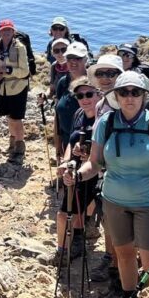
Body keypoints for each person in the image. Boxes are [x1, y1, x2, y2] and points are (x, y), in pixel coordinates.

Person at [66, 71, 149, 298]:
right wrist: (78, 174)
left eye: (135, 92)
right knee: (124, 253)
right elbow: (94, 164)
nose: (129, 97)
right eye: (124, 92)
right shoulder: (105, 122)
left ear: (144, 96)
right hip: (114, 200)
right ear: (115, 96)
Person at [54, 76, 100, 264]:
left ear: (99, 94)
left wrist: (88, 155)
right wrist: (66, 161)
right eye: (80, 95)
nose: (84, 99)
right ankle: (74, 244)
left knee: (65, 213)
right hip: (77, 169)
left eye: (89, 94)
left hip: (94, 171)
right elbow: (71, 141)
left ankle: (63, 251)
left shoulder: (104, 118)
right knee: (75, 209)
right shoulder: (79, 114)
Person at [0, 19, 32, 164]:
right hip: (3, 89)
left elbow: (25, 71)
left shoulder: (20, 48)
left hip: (18, 88)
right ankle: (13, 143)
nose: (6, 33)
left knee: (16, 118)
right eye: (3, 30)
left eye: (9, 30)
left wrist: (7, 71)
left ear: (13, 32)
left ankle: (19, 147)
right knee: (9, 117)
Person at [52, 42, 91, 159]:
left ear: (86, 60)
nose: (73, 62)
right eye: (69, 58)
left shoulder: (93, 83)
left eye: (77, 58)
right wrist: (58, 145)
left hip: (86, 144)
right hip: (66, 140)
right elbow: (57, 116)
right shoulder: (62, 83)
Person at [117, 43, 149, 114]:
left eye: (128, 55)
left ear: (133, 59)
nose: (124, 58)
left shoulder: (136, 74)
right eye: (121, 54)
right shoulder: (114, 72)